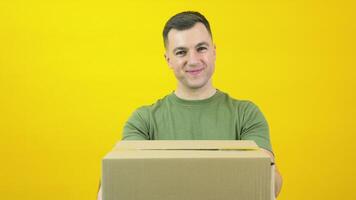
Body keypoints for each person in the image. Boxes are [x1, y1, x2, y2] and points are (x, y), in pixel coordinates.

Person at [98, 11, 283, 200]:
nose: (193, 60)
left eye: (201, 48)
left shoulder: (246, 114)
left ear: (214, 51)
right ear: (168, 59)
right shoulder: (143, 120)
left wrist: (267, 175)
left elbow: (269, 182)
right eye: (181, 52)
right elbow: (121, 180)